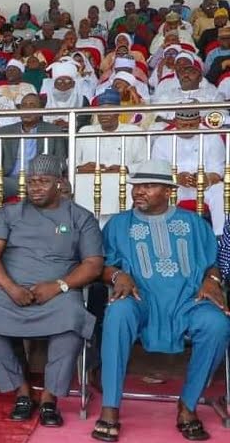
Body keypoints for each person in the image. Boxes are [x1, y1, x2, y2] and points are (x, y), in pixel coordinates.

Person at [0, 154, 103, 427]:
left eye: (43, 182)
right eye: (32, 182)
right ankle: (22, 390)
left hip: (60, 292)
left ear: (60, 183)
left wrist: (59, 286)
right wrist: (11, 288)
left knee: (72, 321)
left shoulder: (80, 217)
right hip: (8, 290)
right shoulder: (9, 213)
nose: (35, 187)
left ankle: (49, 398)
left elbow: (93, 265)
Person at [93, 159, 230, 442]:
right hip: (139, 299)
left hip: (187, 301)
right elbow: (102, 265)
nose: (139, 191)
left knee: (217, 324)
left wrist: (212, 280)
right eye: (137, 186)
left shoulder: (194, 223)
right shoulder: (118, 225)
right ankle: (110, 406)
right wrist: (118, 274)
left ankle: (188, 405)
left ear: (169, 191)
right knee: (117, 314)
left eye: (149, 186)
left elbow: (212, 263)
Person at [151, 106, 225, 235]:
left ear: (199, 121)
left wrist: (205, 179)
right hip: (175, 187)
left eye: (192, 125)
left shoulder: (212, 137)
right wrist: (175, 178)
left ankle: (221, 237)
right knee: (158, 194)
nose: (187, 129)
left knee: (221, 191)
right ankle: (160, 237)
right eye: (183, 125)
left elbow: (218, 169)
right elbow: (157, 172)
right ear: (175, 121)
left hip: (206, 187)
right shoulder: (162, 141)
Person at [75, 89, 145, 225]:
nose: (104, 115)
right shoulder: (85, 131)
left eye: (109, 110)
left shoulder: (133, 131)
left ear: (119, 111)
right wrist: (81, 167)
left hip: (121, 186)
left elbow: (143, 163)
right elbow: (72, 162)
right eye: (101, 111)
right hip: (89, 186)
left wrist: (124, 168)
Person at [0, 93, 67, 197]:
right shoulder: (4, 131)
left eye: (32, 106)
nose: (27, 110)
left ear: (41, 111)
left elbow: (61, 162)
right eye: (24, 106)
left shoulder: (54, 131)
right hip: (11, 181)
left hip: (41, 182)